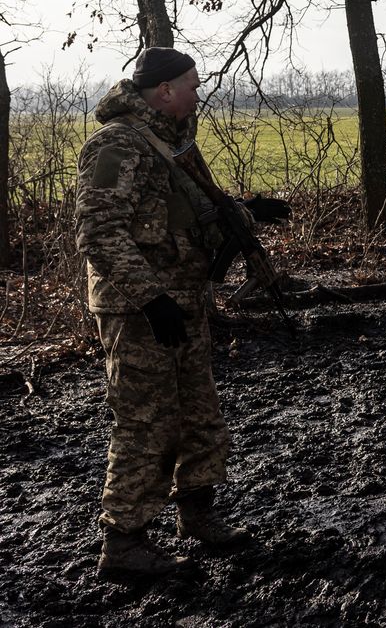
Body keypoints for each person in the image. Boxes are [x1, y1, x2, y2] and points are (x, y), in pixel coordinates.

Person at [75, 47, 290, 580]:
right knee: (147, 424)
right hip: (140, 311)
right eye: (192, 86)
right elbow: (99, 232)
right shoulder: (118, 145)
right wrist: (152, 298)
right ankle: (123, 543)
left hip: (185, 303)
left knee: (198, 413)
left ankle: (198, 514)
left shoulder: (171, 146)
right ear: (165, 90)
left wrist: (245, 211)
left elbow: (185, 218)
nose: (199, 94)